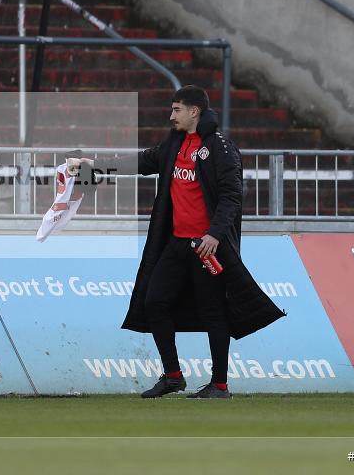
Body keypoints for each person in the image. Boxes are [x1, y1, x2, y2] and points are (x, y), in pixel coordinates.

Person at [69, 85, 284, 399]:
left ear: (194, 111)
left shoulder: (220, 147)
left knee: (214, 312)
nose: (171, 116)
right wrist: (95, 165)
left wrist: (214, 235)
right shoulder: (174, 142)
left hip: (205, 247)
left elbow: (231, 197)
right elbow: (143, 163)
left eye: (176, 110)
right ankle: (173, 376)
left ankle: (220, 385)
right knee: (154, 302)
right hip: (176, 243)